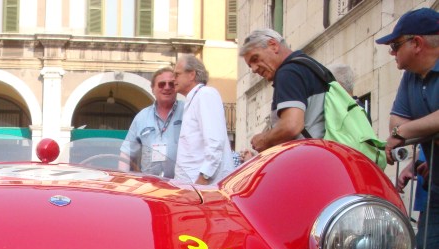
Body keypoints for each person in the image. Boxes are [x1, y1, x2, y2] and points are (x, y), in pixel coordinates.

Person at [375, 7, 439, 249]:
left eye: (396, 44)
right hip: (436, 182)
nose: (391, 52)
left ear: (417, 43)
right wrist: (417, 155)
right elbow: (398, 117)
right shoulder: (412, 78)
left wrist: (407, 133)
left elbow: (402, 128)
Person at [239, 29, 329, 153]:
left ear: (273, 45)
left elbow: (292, 125)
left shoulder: (288, 73)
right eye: (250, 66)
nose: (254, 69)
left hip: (307, 157)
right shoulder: (310, 67)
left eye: (255, 59)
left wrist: (264, 139)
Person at [172, 55, 234, 184]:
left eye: (177, 74)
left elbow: (215, 142)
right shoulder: (195, 98)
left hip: (202, 188)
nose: (173, 79)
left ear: (191, 75)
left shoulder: (205, 94)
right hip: (191, 186)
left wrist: (203, 179)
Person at [120, 67, 184, 178]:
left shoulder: (187, 111)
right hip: (150, 186)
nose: (167, 87)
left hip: (180, 185)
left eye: (171, 84)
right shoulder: (141, 117)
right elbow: (126, 152)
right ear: (152, 89)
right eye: (161, 84)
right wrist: (122, 178)